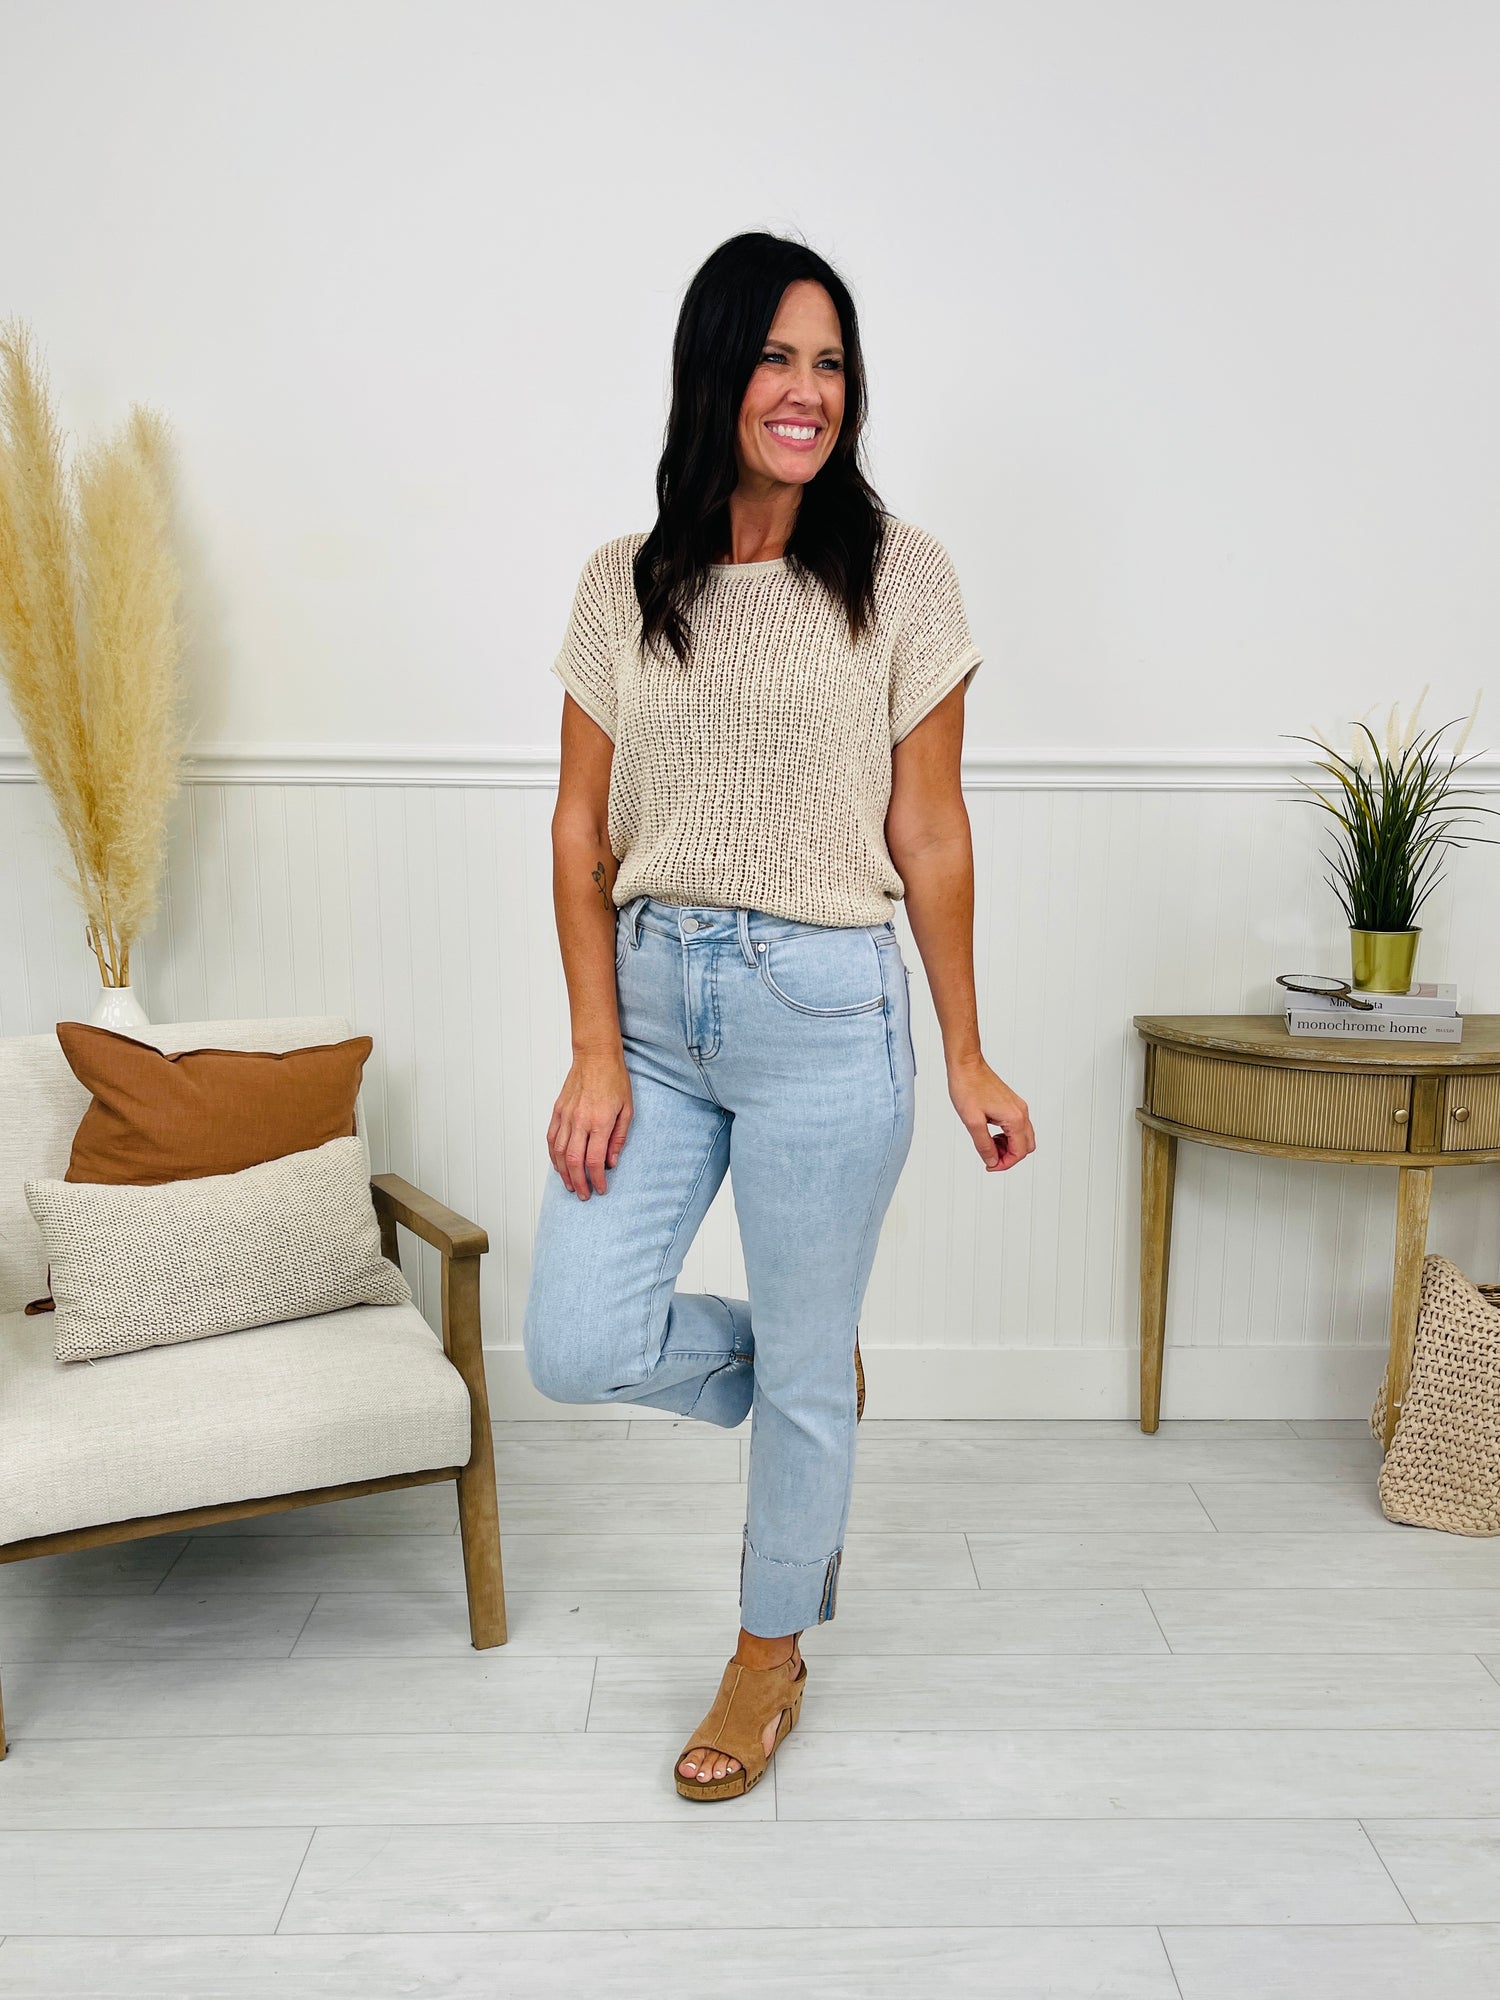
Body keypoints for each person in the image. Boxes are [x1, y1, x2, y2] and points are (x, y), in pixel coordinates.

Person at [524, 231, 1035, 1802]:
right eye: (775, 358)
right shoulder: (624, 580)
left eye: (830, 364)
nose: (806, 391)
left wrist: (965, 1048)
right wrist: (594, 1045)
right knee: (577, 1342)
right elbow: (580, 826)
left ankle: (766, 1657)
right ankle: (808, 1371)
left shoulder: (902, 573)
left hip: (826, 1011)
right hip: (651, 1011)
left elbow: (929, 829)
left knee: (805, 1380)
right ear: (716, 371)